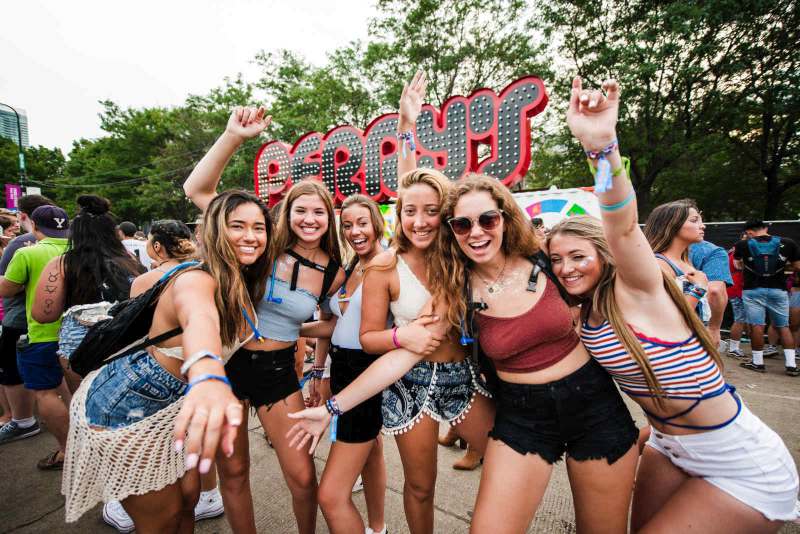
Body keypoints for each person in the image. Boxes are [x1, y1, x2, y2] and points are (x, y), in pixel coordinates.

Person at [548, 76, 798, 531]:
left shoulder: (638, 289)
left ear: (604, 258)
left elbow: (621, 226)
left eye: (578, 256)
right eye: (557, 260)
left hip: (740, 462)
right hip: (667, 446)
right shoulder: (580, 316)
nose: (566, 268)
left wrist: (601, 149)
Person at [287, 72, 496, 534]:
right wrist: (406, 335)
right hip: (408, 385)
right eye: (408, 211)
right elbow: (368, 338)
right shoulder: (384, 266)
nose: (419, 221)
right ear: (397, 215)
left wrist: (408, 125)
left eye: (430, 211)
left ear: (446, 214)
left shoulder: (459, 253)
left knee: (506, 468)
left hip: (464, 378)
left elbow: (416, 186)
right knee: (420, 488)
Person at [438, 175, 639, 533]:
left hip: (594, 406)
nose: (476, 232)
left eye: (488, 219)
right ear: (451, 230)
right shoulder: (454, 288)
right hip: (522, 418)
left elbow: (618, 242)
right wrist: (335, 406)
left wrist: (603, 149)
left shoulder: (545, 258)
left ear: (505, 217)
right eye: (462, 224)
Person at [61, 190, 264, 532]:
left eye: (259, 227)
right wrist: (209, 376)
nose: (250, 236)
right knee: (163, 519)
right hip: (129, 406)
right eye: (237, 226)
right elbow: (199, 319)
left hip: (175, 408)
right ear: (214, 231)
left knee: (188, 502)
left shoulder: (239, 279)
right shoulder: (196, 279)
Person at [184, 105, 345, 534]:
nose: (309, 220)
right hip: (228, 365)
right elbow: (197, 189)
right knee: (233, 474)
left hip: (278, 374)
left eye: (319, 212)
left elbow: (334, 325)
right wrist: (233, 135)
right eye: (300, 211)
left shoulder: (334, 270)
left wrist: (312, 358)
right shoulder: (260, 242)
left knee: (304, 478)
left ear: (329, 217)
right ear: (287, 213)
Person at [304, 193, 389, 534]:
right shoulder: (351, 266)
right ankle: (379, 528)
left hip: (367, 374)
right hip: (340, 370)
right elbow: (334, 325)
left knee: (331, 494)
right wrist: (317, 369)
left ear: (377, 223)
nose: (355, 231)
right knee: (372, 453)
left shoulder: (387, 266)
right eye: (347, 225)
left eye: (362, 223)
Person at [32, 195, 145, 394]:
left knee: (85, 407)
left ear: (75, 234)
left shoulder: (63, 264)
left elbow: (43, 314)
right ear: (113, 233)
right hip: (128, 343)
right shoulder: (132, 264)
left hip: (79, 348)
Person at [0, 205, 70, 469]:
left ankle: (66, 450)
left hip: (41, 333)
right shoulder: (77, 249)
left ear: (34, 225)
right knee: (74, 391)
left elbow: (7, 289)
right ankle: (86, 445)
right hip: (77, 333)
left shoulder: (27, 252)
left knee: (45, 394)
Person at [0, 194, 53, 444]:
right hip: (54, 317)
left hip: (20, 318)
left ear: (24, 216)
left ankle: (22, 421)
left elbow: (7, 286)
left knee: (13, 372)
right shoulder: (64, 242)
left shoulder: (20, 245)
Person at [734, 220, 800, 376]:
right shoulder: (788, 243)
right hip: (779, 290)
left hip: (752, 290)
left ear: (749, 232)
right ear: (766, 228)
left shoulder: (742, 245)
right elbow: (798, 267)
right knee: (783, 326)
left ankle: (758, 363)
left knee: (757, 325)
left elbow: (737, 265)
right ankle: (791, 365)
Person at [643, 199, 712, 324]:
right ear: (671, 225)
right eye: (694, 220)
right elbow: (671, 318)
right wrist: (699, 288)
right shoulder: (660, 265)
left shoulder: (686, 261)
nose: (703, 226)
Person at [689, 238, 732, 346]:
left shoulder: (647, 249)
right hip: (692, 330)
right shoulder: (710, 251)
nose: (702, 226)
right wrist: (714, 328)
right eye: (694, 220)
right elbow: (714, 291)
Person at [726, 235, 748, 359]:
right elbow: (738, 265)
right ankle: (734, 348)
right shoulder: (738, 250)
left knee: (742, 318)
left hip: (736, 286)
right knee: (740, 318)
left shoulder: (733, 249)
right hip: (738, 287)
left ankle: (735, 346)